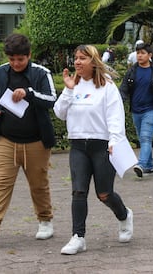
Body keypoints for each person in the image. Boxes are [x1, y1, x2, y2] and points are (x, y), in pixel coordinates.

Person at [0, 33, 57, 246]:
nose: (15, 63)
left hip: (36, 140)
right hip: (6, 138)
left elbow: (52, 99)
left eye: (20, 59)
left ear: (29, 56)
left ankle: (45, 220)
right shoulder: (0, 72)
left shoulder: (41, 73)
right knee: (1, 183)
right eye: (12, 59)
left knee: (38, 184)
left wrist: (28, 93)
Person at [53, 45, 133, 255]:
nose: (77, 62)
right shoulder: (73, 85)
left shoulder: (106, 86)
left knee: (104, 194)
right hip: (78, 145)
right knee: (78, 191)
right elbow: (60, 113)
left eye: (83, 58)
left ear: (94, 61)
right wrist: (68, 90)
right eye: (76, 58)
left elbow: (116, 116)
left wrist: (115, 141)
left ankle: (124, 215)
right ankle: (78, 237)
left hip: (102, 146)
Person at [120, 43, 153, 178]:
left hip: (151, 110)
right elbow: (123, 90)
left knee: (145, 137)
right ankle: (149, 166)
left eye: (143, 53)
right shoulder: (132, 71)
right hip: (136, 110)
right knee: (142, 138)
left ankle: (142, 164)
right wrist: (117, 104)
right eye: (138, 53)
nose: (139, 56)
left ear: (150, 55)